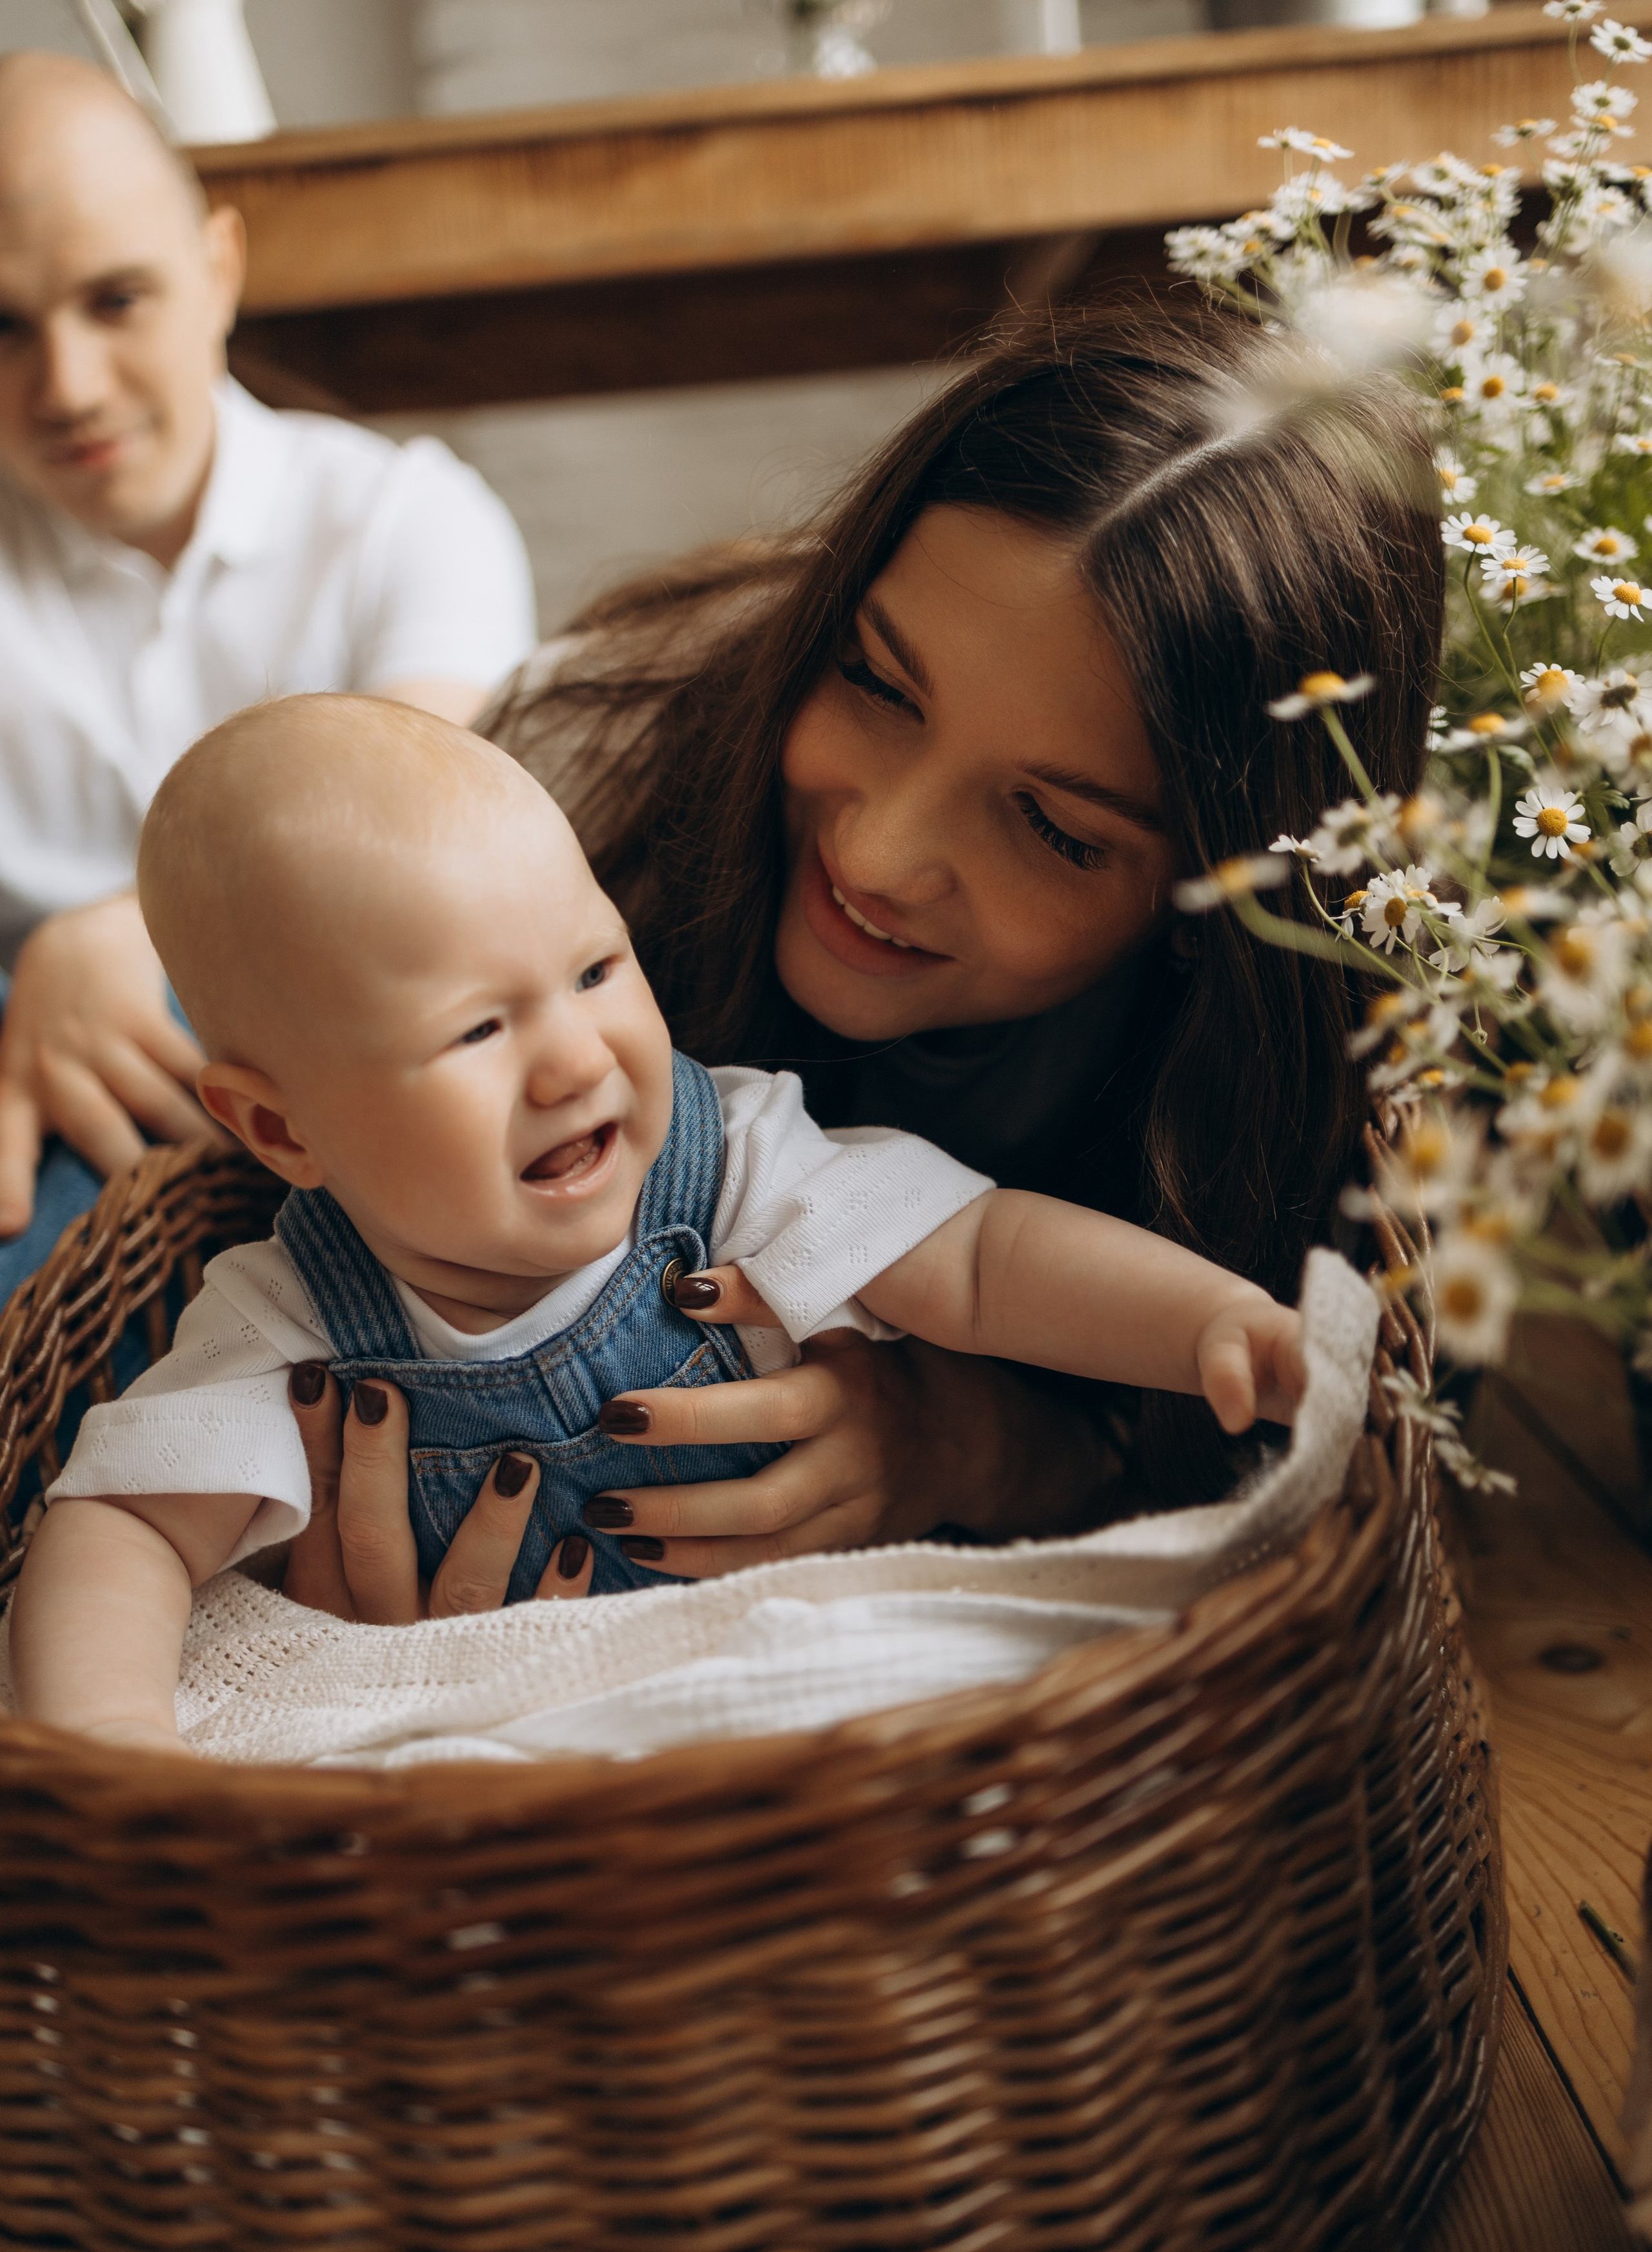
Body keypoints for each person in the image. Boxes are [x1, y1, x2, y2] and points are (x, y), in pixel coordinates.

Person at [265, 303, 1446, 1625]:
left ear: (1221, 895)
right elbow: (283, 942)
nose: (880, 852)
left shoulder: (1342, 1072)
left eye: (1052, 827)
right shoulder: (591, 770)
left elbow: (1303, 1480)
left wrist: (988, 1446)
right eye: (875, 684)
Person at [11, 695, 1304, 1749]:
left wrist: (1208, 1322)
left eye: (592, 970)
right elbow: (118, 1525)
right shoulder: (284, 1321)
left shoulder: (732, 1164)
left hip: (799, 1698)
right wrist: (114, 1745)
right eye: (475, 1029)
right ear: (283, 1132)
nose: (573, 1060)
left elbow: (977, 1259)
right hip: (520, 1770)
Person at [0, 50, 536, 1295]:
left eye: (117, 300)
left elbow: (417, 856)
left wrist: (121, 935)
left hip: (348, 1075)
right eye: (4, 328)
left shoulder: (409, 519)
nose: (68, 387)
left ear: (220, 273)